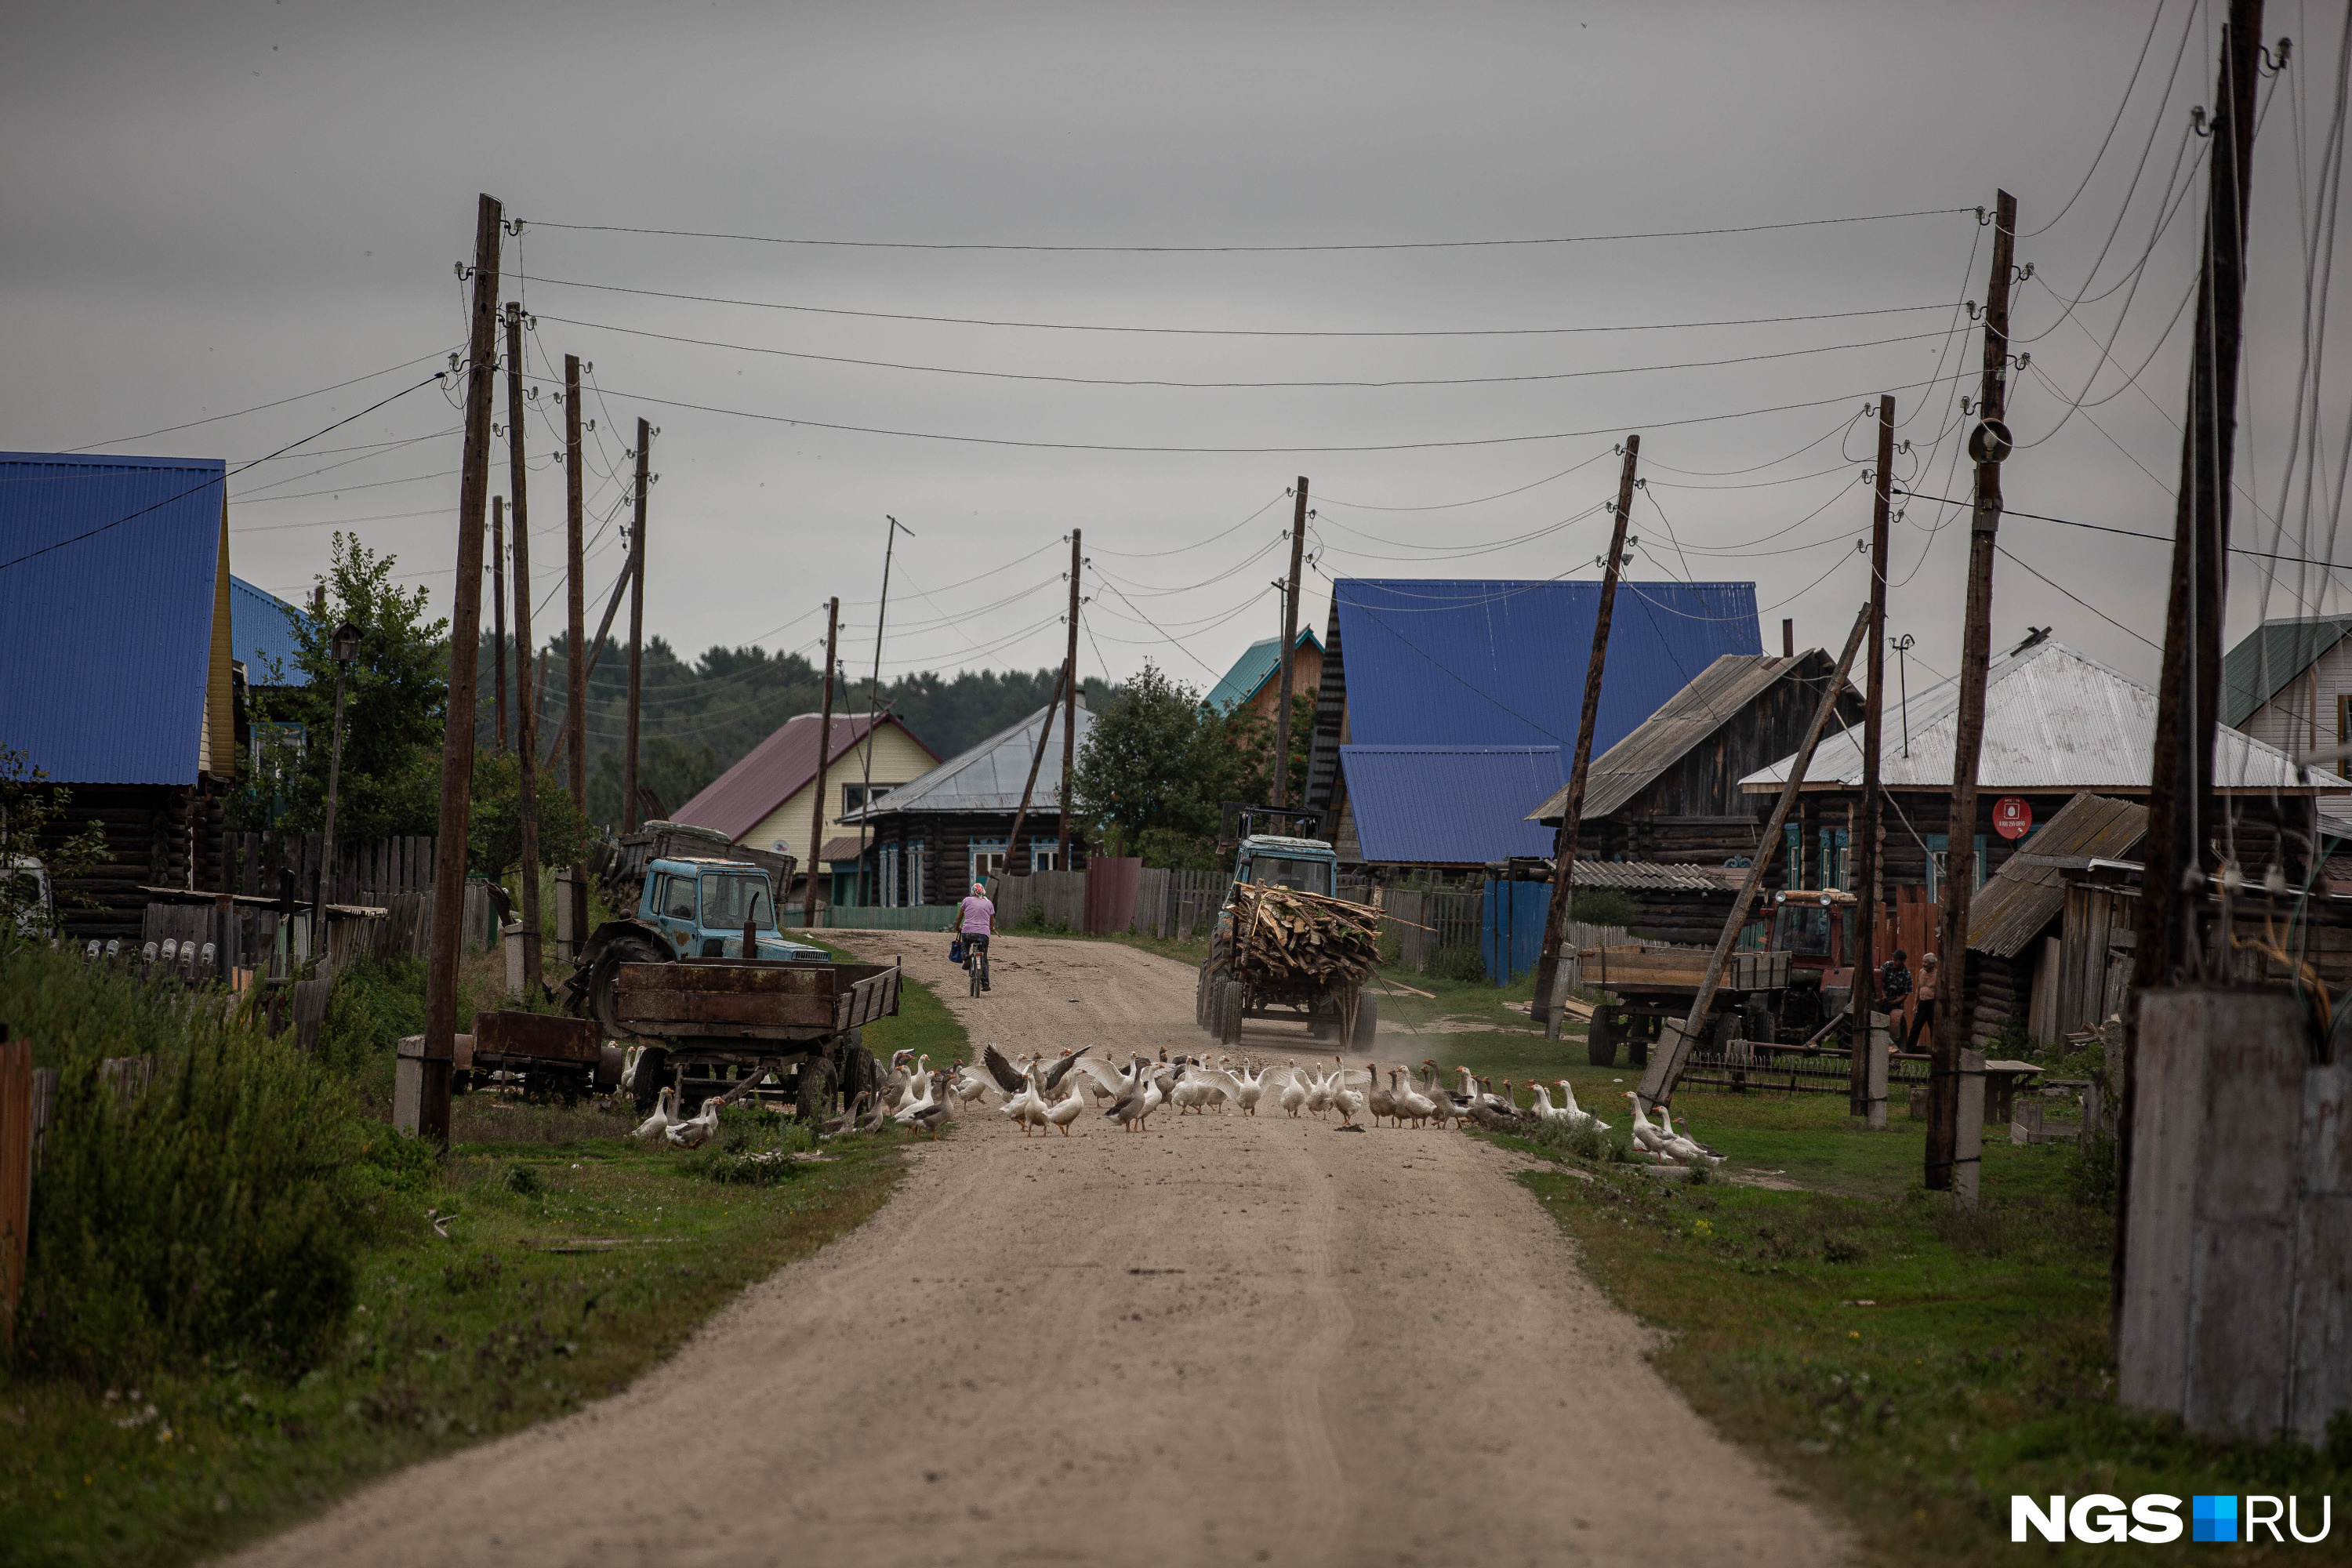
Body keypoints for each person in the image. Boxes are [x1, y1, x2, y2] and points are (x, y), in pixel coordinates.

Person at [957, 880, 996, 991]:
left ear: (972, 892)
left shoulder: (967, 900)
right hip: (983, 934)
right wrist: (992, 928)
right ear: (983, 892)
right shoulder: (989, 903)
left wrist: (957, 927)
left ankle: (967, 958)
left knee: (964, 945)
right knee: (983, 957)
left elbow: (960, 916)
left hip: (968, 932)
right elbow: (992, 922)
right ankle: (985, 983)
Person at [1904, 951, 1939, 1051]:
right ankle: (1909, 1051)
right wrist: (1915, 1004)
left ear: (1932, 964)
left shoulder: (1937, 974)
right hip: (1922, 1003)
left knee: (1934, 1028)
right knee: (1915, 1027)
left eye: (1926, 962)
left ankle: (1935, 1051)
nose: (1924, 964)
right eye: (1923, 962)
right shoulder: (1921, 972)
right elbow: (1918, 988)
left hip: (1932, 1003)